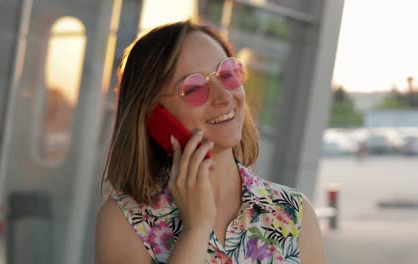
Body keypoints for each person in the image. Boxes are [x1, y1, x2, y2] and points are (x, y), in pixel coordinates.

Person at [95, 20, 325, 264]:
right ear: (154, 115)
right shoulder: (124, 219)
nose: (225, 96)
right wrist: (196, 230)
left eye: (227, 74)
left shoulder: (294, 213)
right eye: (193, 88)